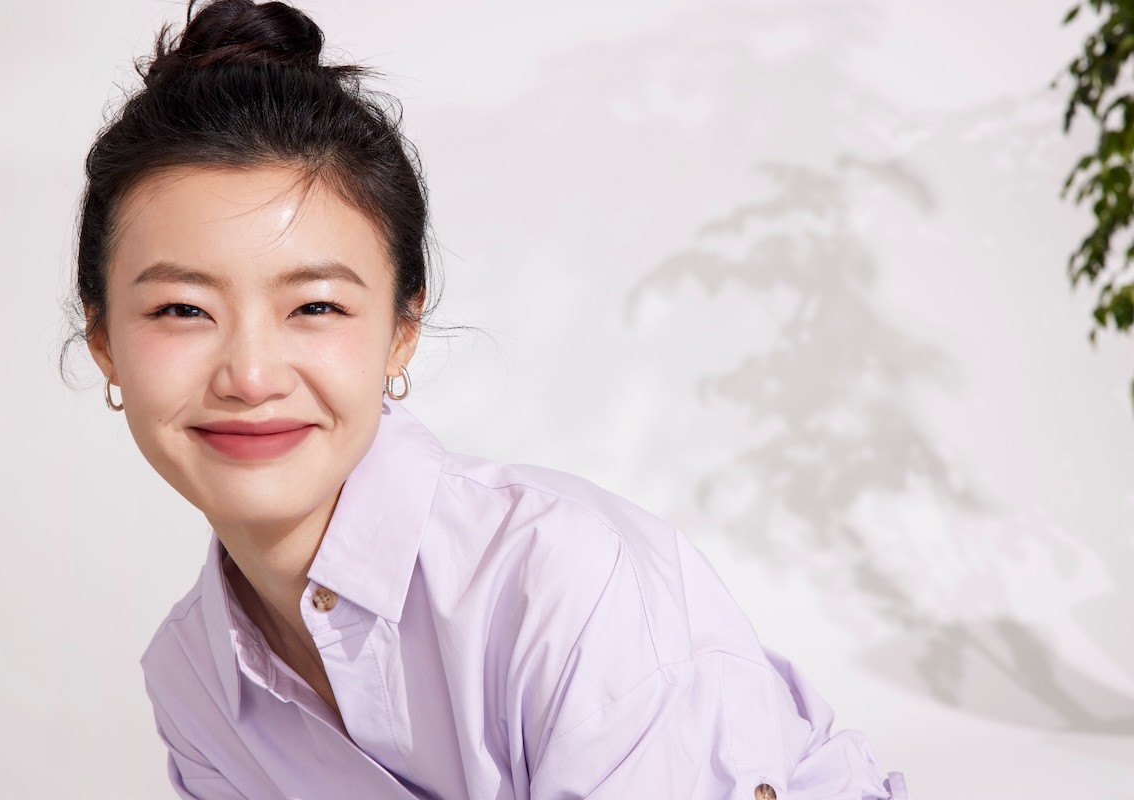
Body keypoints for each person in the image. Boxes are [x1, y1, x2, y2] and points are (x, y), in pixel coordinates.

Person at [73, 0, 908, 797]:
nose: (251, 376)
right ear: (104, 340)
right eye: (183, 310)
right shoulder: (192, 678)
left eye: (315, 307)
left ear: (402, 331)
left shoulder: (562, 584)